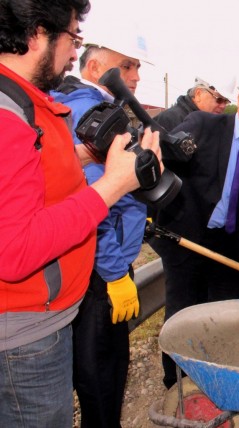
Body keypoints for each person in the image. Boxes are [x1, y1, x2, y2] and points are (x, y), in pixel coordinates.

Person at [0, 1, 161, 425]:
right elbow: (14, 251)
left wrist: (87, 154)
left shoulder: (25, 105)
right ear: (37, 34)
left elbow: (33, 178)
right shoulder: (8, 117)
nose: (75, 53)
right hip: (23, 334)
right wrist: (113, 186)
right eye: (73, 38)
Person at [50, 33, 151, 427]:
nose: (136, 77)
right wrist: (112, 271)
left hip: (92, 261)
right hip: (99, 267)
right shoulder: (92, 113)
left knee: (97, 370)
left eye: (138, 68)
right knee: (103, 373)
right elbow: (96, 197)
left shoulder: (92, 106)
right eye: (127, 66)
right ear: (95, 68)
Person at [151, 78, 239, 389]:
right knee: (183, 315)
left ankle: (216, 380)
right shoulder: (203, 124)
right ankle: (177, 384)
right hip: (185, 241)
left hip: (227, 248)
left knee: (224, 318)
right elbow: (164, 157)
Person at [153, 76, 231, 131]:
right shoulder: (169, 120)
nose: (223, 106)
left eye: (226, 101)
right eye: (219, 99)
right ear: (198, 94)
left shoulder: (218, 125)